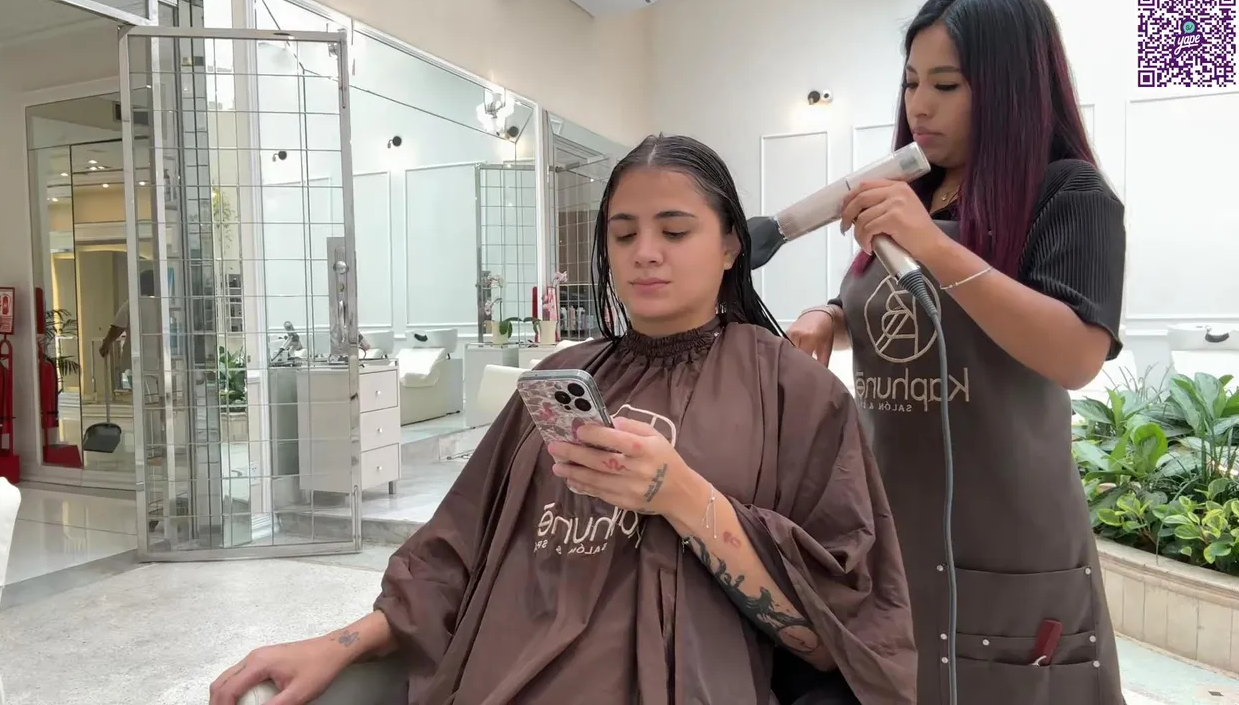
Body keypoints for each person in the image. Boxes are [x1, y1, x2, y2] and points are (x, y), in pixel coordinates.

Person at [209, 134, 919, 705]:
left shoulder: (796, 391)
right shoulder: (560, 378)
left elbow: (837, 632)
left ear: (732, 244)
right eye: (622, 234)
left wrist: (679, 495)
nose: (644, 253)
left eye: (675, 230)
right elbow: (454, 552)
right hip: (504, 675)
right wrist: (339, 644)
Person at [787, 0, 1126, 703]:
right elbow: (891, 301)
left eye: (946, 86)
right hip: (892, 528)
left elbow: (1076, 354)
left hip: (1007, 542)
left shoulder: (1069, 197)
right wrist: (829, 316)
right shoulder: (914, 194)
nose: (920, 106)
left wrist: (933, 248)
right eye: (912, 83)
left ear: (1010, 90)